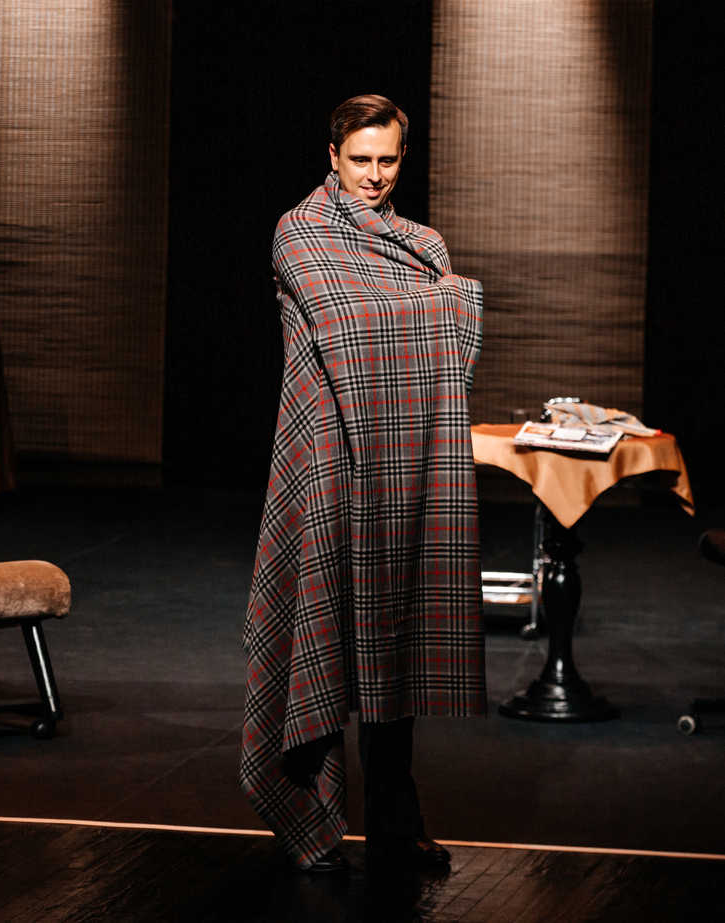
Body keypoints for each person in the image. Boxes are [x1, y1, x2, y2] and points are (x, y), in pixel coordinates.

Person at [240, 95, 485, 873]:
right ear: (332, 157)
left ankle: (394, 822)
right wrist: (442, 302)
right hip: (325, 460)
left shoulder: (422, 242)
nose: (373, 175)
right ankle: (313, 814)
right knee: (323, 628)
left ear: (401, 160)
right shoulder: (298, 230)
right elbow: (350, 322)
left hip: (403, 457)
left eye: (386, 160)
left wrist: (434, 306)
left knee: (390, 640)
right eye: (359, 160)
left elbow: (438, 340)